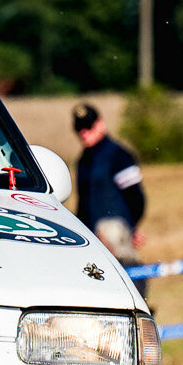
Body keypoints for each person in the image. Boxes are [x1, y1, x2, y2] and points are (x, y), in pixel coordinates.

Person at [72, 103, 148, 296]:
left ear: (100, 124)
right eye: (79, 129)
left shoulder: (119, 155)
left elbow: (137, 198)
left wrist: (131, 228)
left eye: (88, 127)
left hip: (117, 238)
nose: (84, 133)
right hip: (93, 241)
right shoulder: (83, 161)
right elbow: (83, 205)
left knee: (128, 287)